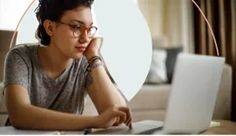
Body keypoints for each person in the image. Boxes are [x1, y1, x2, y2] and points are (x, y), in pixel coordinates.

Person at [3, 0, 132, 130]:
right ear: (50, 28)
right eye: (76, 27)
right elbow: (20, 115)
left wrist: (94, 56)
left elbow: (119, 116)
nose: (85, 38)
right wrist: (96, 121)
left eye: (89, 29)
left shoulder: (85, 62)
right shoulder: (20, 57)